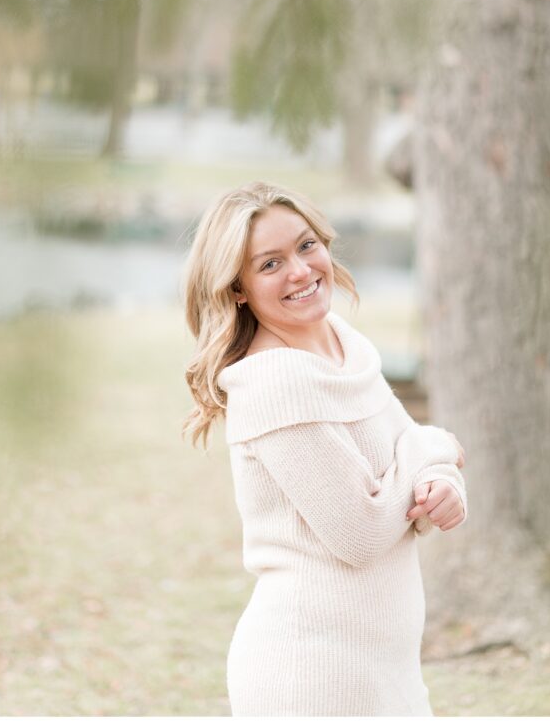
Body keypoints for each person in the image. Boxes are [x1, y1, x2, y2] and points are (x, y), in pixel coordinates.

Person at [183, 181, 467, 717]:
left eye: (306, 245)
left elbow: (408, 449)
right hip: (313, 675)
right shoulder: (272, 383)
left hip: (389, 669)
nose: (300, 270)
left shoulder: (341, 340)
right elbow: (361, 531)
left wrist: (443, 480)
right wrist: (437, 444)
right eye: (269, 264)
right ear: (237, 288)